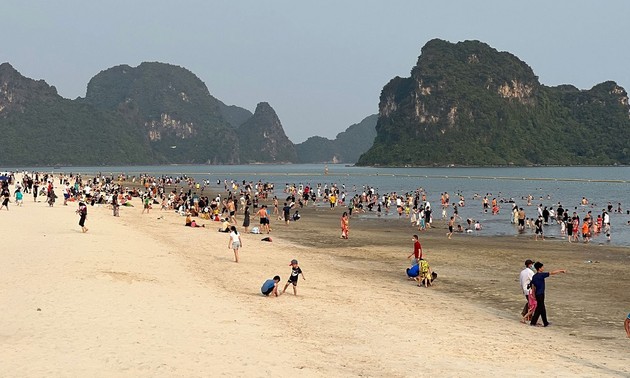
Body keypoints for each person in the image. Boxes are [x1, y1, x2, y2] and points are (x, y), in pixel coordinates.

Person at [530, 262, 567, 327]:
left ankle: (545, 322)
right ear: (539, 268)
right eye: (542, 267)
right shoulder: (541, 275)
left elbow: (533, 287)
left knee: (542, 308)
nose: (543, 268)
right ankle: (533, 322)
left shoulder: (534, 276)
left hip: (537, 294)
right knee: (539, 308)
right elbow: (552, 272)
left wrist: (533, 295)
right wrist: (561, 271)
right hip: (541, 294)